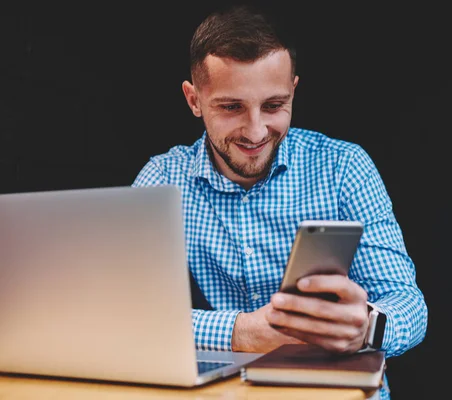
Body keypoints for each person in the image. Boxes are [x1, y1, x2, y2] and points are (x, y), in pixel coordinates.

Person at [132, 4, 428, 399]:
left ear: (293, 90)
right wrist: (244, 331)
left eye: (274, 106)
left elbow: (410, 304)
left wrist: (366, 327)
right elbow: (129, 318)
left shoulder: (344, 167)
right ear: (194, 100)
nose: (256, 132)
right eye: (231, 107)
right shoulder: (162, 180)